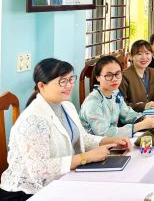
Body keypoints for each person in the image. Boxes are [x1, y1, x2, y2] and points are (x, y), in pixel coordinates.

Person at [0, 59, 130, 200]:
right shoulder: (33, 119)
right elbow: (38, 168)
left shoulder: (67, 106)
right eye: (62, 81)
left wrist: (112, 141)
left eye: (71, 79)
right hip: (28, 193)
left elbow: (83, 138)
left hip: (62, 179)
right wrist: (85, 157)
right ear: (42, 86)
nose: (69, 86)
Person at [80, 55, 154, 138]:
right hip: (98, 144)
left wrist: (144, 118)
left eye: (118, 74)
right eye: (108, 75)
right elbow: (105, 133)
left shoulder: (115, 92)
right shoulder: (92, 103)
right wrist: (140, 125)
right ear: (98, 77)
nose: (114, 79)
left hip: (114, 141)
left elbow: (127, 114)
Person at [119, 40, 154, 112]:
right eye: (139, 54)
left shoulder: (153, 72)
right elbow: (121, 105)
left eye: (147, 53)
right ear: (131, 56)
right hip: (135, 116)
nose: (144, 57)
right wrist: (143, 106)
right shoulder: (124, 76)